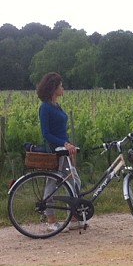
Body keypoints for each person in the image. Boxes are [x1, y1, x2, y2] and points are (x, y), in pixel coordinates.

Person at [37, 72, 83, 231]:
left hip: (65, 149)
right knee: (52, 184)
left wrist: (69, 145)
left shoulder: (57, 106)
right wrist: (64, 143)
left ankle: (74, 219)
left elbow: (62, 130)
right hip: (55, 151)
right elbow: (47, 133)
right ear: (53, 88)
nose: (63, 88)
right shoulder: (45, 107)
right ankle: (51, 221)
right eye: (60, 85)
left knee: (74, 181)